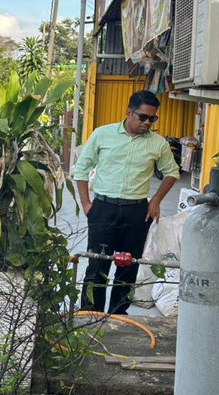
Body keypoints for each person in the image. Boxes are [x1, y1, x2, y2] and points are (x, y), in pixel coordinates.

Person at [73, 90, 180, 315]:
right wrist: (87, 205)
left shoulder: (158, 144)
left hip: (137, 213)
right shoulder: (103, 134)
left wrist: (156, 199)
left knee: (128, 267)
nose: (147, 123)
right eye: (143, 117)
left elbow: (172, 172)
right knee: (97, 266)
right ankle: (90, 315)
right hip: (103, 209)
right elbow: (81, 169)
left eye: (152, 119)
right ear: (129, 113)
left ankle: (119, 316)